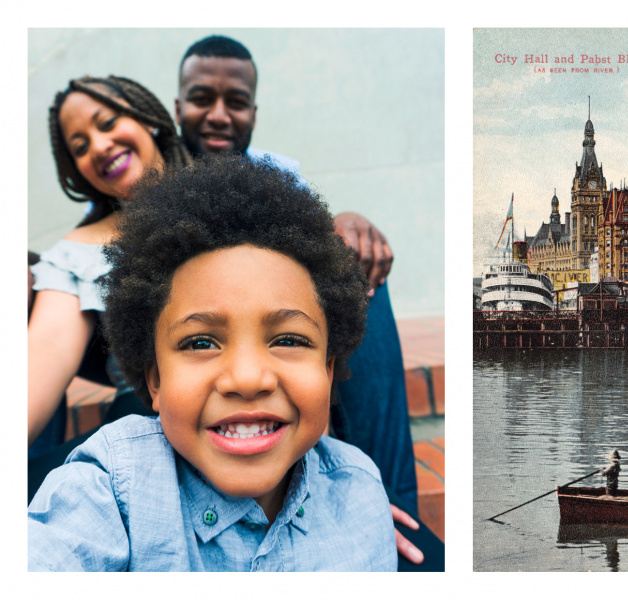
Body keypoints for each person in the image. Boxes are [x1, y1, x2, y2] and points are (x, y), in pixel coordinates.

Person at [29, 156, 396, 571]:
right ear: (155, 381)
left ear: (328, 372)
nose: (247, 378)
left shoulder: (359, 492)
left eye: (289, 339)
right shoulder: (111, 488)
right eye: (201, 342)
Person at [175, 35, 430, 566]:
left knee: (357, 274)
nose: (220, 115)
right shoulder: (157, 174)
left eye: (236, 102)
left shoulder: (277, 174)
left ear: (254, 112)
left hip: (273, 333)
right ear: (179, 106)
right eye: (202, 98)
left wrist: (348, 224)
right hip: (194, 348)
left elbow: (318, 242)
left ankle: (393, 508)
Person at [28, 76, 191, 452]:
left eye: (107, 123)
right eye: (80, 147)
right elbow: (45, 348)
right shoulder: (76, 254)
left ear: (145, 117)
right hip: (140, 440)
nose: (99, 146)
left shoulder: (236, 195)